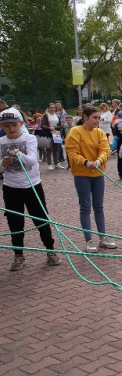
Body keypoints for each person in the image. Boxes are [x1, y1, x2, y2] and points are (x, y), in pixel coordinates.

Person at [0, 108, 62, 271]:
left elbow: (33, 161)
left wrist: (19, 154)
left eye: (14, 125)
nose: (11, 129)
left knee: (41, 218)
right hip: (10, 187)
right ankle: (18, 254)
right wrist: (4, 163)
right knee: (14, 222)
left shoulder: (30, 138)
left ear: (21, 124)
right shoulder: (1, 142)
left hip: (31, 186)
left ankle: (50, 250)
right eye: (6, 126)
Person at [65, 105, 117, 253]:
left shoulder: (100, 132)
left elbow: (105, 149)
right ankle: (88, 240)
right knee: (85, 207)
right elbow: (72, 153)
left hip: (98, 174)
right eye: (95, 118)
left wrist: (99, 161)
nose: (97, 121)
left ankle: (102, 238)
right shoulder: (75, 132)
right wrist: (86, 162)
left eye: (99, 118)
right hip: (82, 175)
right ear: (85, 117)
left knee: (99, 206)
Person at [38, 103, 62, 171]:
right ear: (48, 108)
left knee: (56, 149)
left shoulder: (57, 115)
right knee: (49, 149)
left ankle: (56, 163)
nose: (53, 109)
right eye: (51, 107)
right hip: (48, 134)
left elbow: (60, 125)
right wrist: (49, 128)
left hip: (56, 133)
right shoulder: (45, 115)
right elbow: (42, 125)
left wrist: (55, 127)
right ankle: (49, 164)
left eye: (54, 108)